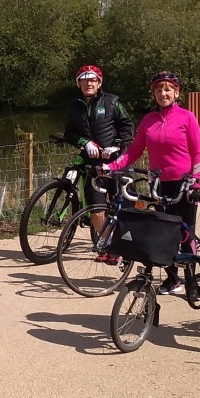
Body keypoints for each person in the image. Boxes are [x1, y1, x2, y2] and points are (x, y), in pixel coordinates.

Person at [104, 71, 200, 294]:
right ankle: (172, 279)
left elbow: (198, 152)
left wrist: (196, 183)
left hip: (184, 184)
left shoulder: (187, 117)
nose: (163, 93)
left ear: (176, 92)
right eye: (158, 90)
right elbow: (134, 151)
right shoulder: (149, 120)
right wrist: (110, 167)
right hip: (159, 184)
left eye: (168, 89)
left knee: (185, 233)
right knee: (162, 233)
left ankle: (192, 281)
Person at [63, 64, 135, 260]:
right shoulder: (74, 107)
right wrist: (84, 142)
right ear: (79, 83)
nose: (89, 83)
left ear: (99, 83)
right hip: (92, 164)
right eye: (85, 80)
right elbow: (68, 133)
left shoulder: (112, 102)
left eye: (93, 79)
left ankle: (127, 246)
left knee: (125, 204)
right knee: (96, 206)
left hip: (116, 162)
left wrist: (117, 145)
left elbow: (127, 127)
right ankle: (107, 246)